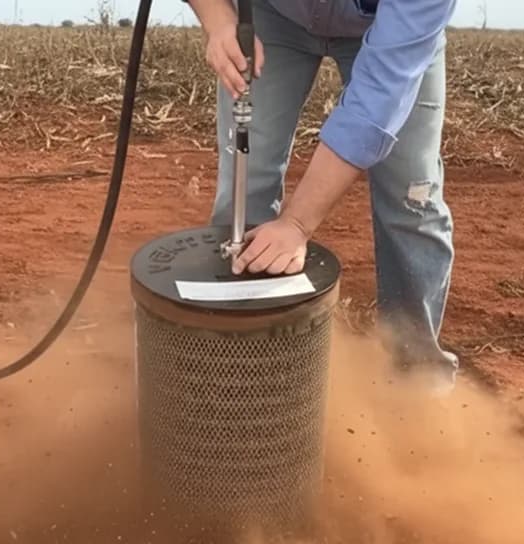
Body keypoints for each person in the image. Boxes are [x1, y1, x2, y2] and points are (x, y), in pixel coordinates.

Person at [184, 0, 461, 392]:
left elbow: (378, 103)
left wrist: (297, 222)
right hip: (270, 13)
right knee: (245, 193)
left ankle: (416, 373)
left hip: (385, 23)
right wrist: (218, 18)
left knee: (411, 197)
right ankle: (240, 363)